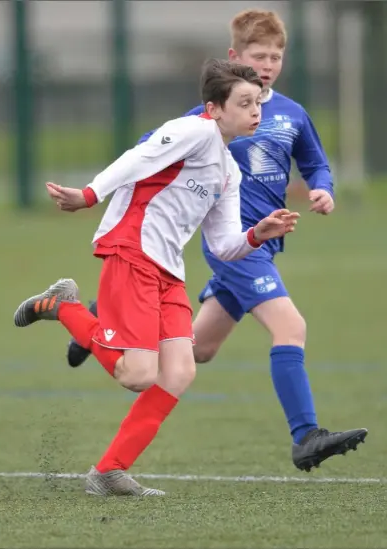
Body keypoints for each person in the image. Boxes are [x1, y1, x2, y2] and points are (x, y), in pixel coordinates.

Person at [66, 10, 368, 472]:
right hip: (207, 249)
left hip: (250, 244)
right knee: (291, 328)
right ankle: (306, 435)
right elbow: (148, 150)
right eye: (258, 56)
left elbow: (314, 162)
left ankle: (100, 323)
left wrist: (321, 188)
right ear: (236, 59)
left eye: (276, 57)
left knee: (195, 353)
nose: (268, 65)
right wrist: (94, 193)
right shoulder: (205, 121)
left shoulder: (288, 115)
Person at [14, 59, 300, 497]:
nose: (255, 111)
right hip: (132, 249)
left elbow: (224, 245)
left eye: (258, 102)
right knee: (138, 375)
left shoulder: (229, 169)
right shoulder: (194, 131)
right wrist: (90, 194)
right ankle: (64, 306)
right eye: (244, 102)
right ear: (214, 108)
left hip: (168, 270)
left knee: (181, 372)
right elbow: (138, 157)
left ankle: (108, 471)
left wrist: (256, 235)